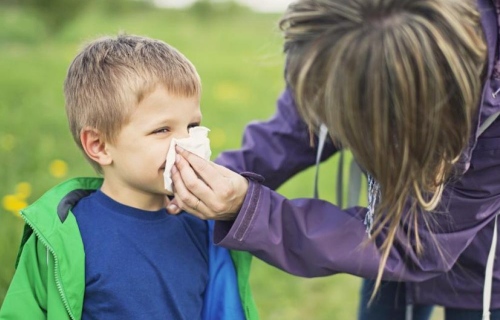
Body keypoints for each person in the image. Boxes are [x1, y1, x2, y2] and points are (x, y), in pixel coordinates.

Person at [166, 0, 500, 319]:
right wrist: (208, 179)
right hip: (388, 221)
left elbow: (412, 245)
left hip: (487, 261)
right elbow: (300, 122)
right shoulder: (342, 33)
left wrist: (249, 210)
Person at [0, 34, 258, 320]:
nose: (186, 143)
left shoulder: (205, 226)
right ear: (99, 145)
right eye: (163, 130)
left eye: (192, 125)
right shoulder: (63, 236)